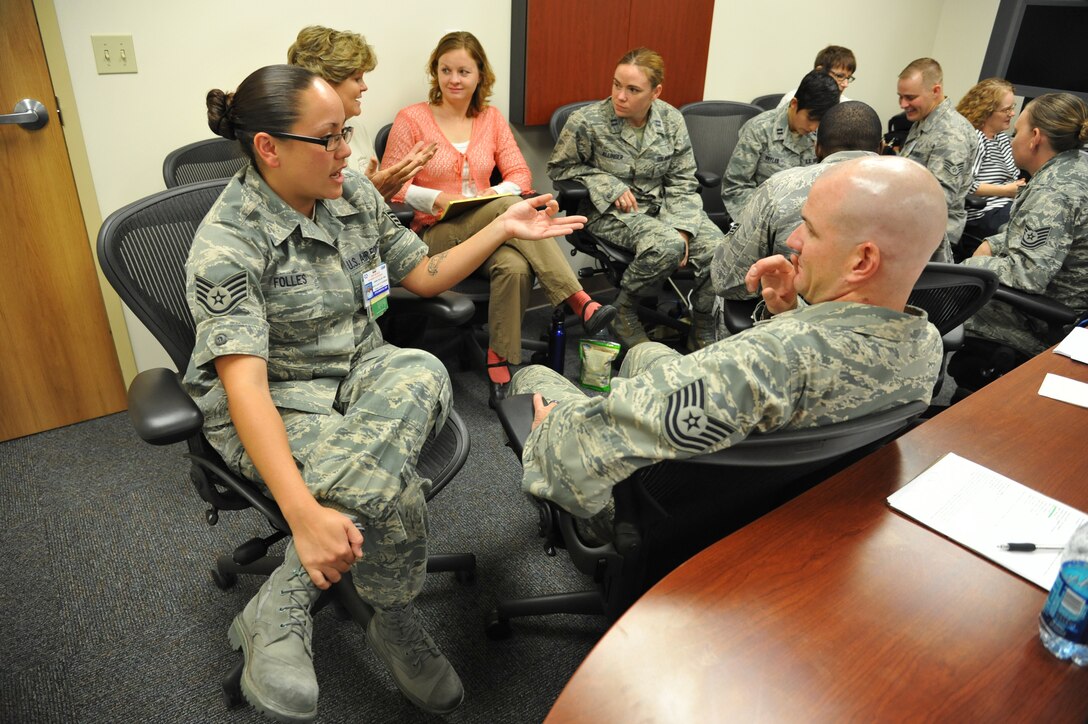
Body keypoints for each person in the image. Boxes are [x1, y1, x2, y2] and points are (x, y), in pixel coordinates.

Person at [183, 64, 586, 720]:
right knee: (393, 487)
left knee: (426, 369)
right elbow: (246, 390)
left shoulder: (351, 195)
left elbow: (422, 275)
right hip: (277, 400)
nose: (348, 151)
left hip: (361, 371)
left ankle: (283, 593)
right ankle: (391, 621)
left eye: (345, 132)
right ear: (269, 148)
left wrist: (503, 228)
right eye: (329, 139)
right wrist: (303, 515)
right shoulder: (226, 246)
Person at [510, 156, 947, 519]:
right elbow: (818, 373)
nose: (793, 240)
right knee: (644, 351)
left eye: (810, 229)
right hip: (785, 504)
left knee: (531, 380)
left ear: (861, 261)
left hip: (675, 521)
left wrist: (552, 430)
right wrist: (790, 314)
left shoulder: (765, 360)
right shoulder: (927, 343)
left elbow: (576, 449)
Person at [383, 31, 614, 404]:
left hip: (486, 229)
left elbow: (521, 175)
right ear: (435, 72)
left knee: (513, 265)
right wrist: (438, 198)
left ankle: (498, 359)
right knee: (508, 209)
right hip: (435, 236)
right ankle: (579, 299)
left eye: (463, 71)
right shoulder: (412, 119)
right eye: (445, 70)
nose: (454, 80)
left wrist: (489, 194)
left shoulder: (490, 119)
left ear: (479, 76)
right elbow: (390, 187)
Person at [547, 47, 725, 350]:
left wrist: (682, 227)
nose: (620, 96)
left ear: (655, 92)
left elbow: (682, 180)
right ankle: (625, 309)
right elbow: (560, 170)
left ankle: (703, 321)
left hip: (665, 207)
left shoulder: (671, 120)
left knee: (720, 250)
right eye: (616, 84)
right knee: (666, 245)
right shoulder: (587, 121)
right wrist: (607, 183)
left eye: (632, 89)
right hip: (609, 213)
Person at [953, 92, 1088, 383]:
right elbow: (1040, 238)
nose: (1012, 140)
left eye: (1017, 132)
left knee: (937, 295)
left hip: (1038, 320)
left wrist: (970, 268)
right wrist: (992, 243)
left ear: (1035, 137)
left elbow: (1028, 275)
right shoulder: (1076, 167)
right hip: (1061, 301)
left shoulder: (1054, 191)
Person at [712, 100, 883, 300]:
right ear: (881, 147)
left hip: (789, 320)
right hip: (881, 323)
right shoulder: (915, 198)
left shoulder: (780, 187)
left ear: (817, 147)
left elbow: (727, 280)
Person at [287, 25, 435, 202]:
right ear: (325, 82)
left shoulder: (357, 128)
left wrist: (378, 196)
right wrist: (369, 196)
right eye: (357, 79)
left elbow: (375, 211)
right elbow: (316, 216)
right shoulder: (300, 138)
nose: (364, 87)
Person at [721, 70, 841, 220]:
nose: (813, 127)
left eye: (820, 121)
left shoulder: (821, 136)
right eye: (811, 118)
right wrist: (770, 219)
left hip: (802, 219)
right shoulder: (760, 128)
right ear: (794, 104)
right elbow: (735, 188)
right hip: (757, 217)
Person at [896, 57, 979, 262]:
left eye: (910, 97)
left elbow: (938, 200)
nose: (903, 104)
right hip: (910, 228)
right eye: (900, 97)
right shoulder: (925, 119)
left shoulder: (951, 134)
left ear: (935, 91)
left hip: (932, 242)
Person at [955, 78, 1025, 250]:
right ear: (986, 112)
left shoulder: (1001, 137)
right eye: (1006, 109)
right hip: (983, 213)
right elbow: (965, 185)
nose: (1012, 114)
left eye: (1013, 107)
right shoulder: (975, 138)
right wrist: (1007, 191)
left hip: (1006, 205)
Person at [776, 45, 857, 108]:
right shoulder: (792, 99)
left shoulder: (848, 108)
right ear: (820, 71)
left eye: (848, 78)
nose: (846, 84)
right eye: (839, 76)